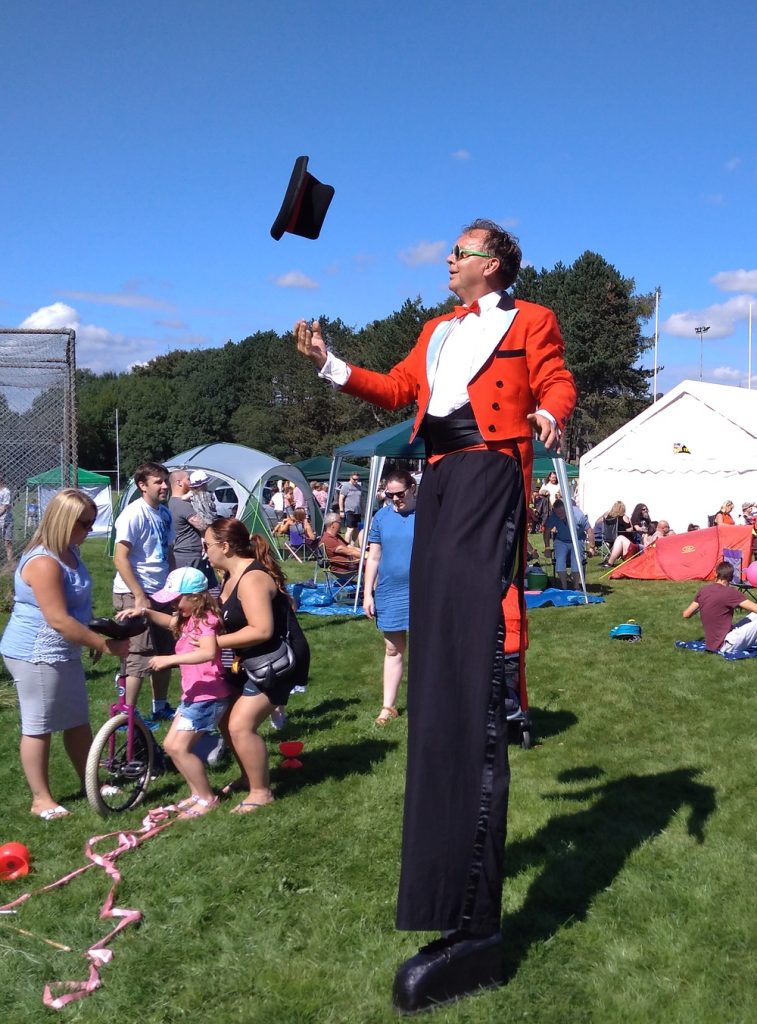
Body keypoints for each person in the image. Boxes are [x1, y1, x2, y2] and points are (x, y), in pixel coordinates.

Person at [294, 217, 576, 1013]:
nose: (447, 259)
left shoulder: (531, 321)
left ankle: (473, 917)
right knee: (437, 656)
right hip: (442, 477)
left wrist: (550, 415)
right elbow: (397, 391)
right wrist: (330, 364)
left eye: (460, 251)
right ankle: (447, 897)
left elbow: (556, 382)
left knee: (464, 656)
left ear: (493, 265)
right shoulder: (436, 330)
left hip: (492, 469)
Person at [0, 489, 128, 818]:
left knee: (76, 721)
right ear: (63, 521)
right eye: (84, 523)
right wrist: (101, 644)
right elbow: (57, 619)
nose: (89, 529)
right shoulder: (44, 562)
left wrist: (90, 636)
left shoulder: (69, 552)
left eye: (92, 521)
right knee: (39, 724)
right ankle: (40, 799)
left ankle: (92, 783)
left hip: (62, 649)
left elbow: (74, 611)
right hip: (36, 651)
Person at [202, 518, 309, 813]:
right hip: (249, 658)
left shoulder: (252, 578)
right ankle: (248, 776)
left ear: (224, 546)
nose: (204, 551)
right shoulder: (229, 575)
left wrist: (214, 645)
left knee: (240, 725)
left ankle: (261, 793)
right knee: (226, 720)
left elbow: (261, 629)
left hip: (276, 659)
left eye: (207, 545)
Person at [119, 567, 234, 817]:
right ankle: (197, 794)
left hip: (209, 696)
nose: (172, 603)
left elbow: (207, 652)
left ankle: (206, 798)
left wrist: (169, 659)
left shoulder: (206, 621)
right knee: (172, 747)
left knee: (179, 748)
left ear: (195, 597)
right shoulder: (190, 618)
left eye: (176, 598)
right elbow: (171, 623)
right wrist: (146, 612)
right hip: (194, 695)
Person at [112, 461, 176, 717]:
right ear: (142, 485)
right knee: (138, 656)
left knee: (164, 652)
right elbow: (120, 558)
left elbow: (168, 553)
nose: (164, 486)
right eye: (158, 482)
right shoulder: (133, 514)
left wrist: (173, 589)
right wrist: (139, 595)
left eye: (165, 481)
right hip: (134, 593)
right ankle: (127, 716)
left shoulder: (165, 513)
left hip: (161, 592)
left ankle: (159, 707)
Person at [362, 469, 417, 725]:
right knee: (393, 648)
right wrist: (367, 593)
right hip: (390, 591)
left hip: (422, 591)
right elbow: (373, 557)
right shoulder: (381, 517)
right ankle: (388, 706)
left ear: (412, 488)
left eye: (399, 494)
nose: (394, 499)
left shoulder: (428, 513)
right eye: (389, 494)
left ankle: (429, 703)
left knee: (427, 649)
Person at [683, 560, 757, 654]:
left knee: (754, 616)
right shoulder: (730, 593)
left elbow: (686, 614)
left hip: (713, 643)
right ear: (731, 577)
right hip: (727, 644)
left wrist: (704, 605)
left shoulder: (704, 590)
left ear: (716, 573)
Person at [169, 469, 214, 580]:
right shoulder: (183, 505)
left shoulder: (170, 502)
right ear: (179, 482)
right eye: (188, 479)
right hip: (190, 555)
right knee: (195, 592)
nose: (191, 482)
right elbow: (203, 525)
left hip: (180, 553)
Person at [544, 498, 595, 589]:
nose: (559, 516)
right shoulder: (554, 515)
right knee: (559, 561)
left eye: (561, 513)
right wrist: (547, 547)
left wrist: (592, 547)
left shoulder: (578, 515)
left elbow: (589, 530)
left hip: (577, 539)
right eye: (557, 513)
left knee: (576, 563)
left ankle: (576, 586)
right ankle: (564, 587)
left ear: (567, 509)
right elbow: (547, 531)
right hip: (561, 540)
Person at [599, 501, 637, 568]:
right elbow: (629, 530)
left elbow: (600, 524)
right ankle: (610, 562)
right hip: (621, 539)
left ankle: (609, 559)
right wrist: (632, 526)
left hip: (609, 538)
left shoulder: (608, 517)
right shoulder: (624, 517)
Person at [339, 471, 363, 544]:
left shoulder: (359, 487)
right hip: (349, 511)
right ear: (350, 477)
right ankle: (346, 546)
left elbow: (361, 499)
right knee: (350, 529)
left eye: (357, 479)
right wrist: (341, 510)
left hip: (358, 511)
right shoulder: (346, 486)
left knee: (356, 529)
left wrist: (363, 510)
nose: (356, 481)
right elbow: (341, 498)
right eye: (354, 479)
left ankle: (352, 545)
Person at [0, 476, 14, 566]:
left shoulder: (6, 491)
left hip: (6, 519)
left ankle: (10, 563)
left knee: (7, 542)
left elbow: (5, 507)